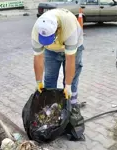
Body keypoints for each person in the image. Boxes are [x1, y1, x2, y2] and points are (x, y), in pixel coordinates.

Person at [31, 8, 85, 141]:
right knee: (49, 79)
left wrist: (67, 85)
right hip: (51, 51)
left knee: (71, 83)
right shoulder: (36, 32)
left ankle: (71, 109)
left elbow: (70, 61)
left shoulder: (69, 27)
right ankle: (51, 113)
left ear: (57, 29)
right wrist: (38, 82)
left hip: (74, 47)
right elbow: (38, 59)